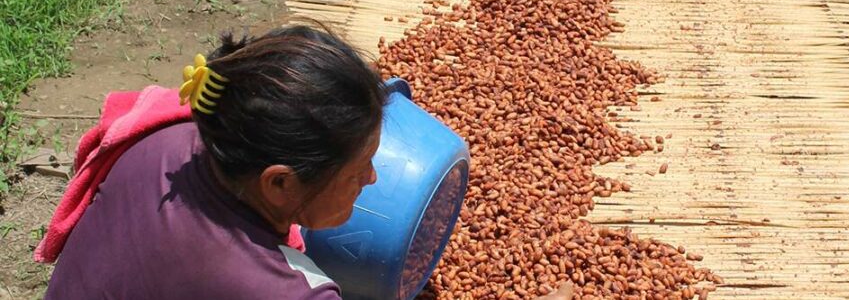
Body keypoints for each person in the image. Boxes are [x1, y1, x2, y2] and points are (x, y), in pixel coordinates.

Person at [42, 25, 574, 299]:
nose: (373, 178)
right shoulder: (281, 291)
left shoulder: (170, 138)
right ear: (279, 184)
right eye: (357, 171)